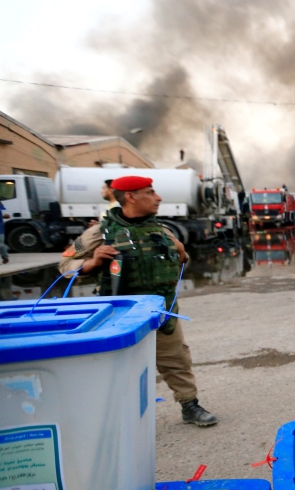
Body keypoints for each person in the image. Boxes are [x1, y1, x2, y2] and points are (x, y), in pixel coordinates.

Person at [59, 176, 218, 427]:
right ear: (131, 197)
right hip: (121, 315)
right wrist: (92, 262)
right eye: (151, 192)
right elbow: (65, 264)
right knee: (119, 367)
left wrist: (180, 251)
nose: (159, 198)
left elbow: (182, 261)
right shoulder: (97, 233)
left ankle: (190, 405)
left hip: (162, 310)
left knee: (177, 360)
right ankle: (115, 416)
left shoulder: (162, 230)